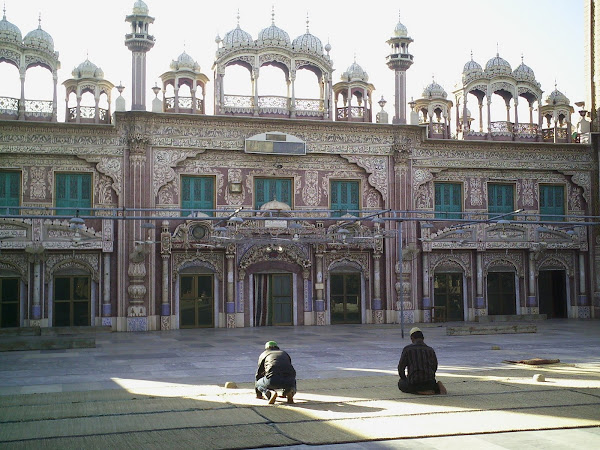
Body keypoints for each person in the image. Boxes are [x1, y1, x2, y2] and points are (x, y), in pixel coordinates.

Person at [397, 327, 447, 395]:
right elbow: (434, 366)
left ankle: (420, 391)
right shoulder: (430, 350)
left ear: (412, 338)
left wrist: (404, 379)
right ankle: (435, 387)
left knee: (401, 384)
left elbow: (401, 368)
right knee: (429, 384)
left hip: (414, 383)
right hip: (430, 383)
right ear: (423, 338)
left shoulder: (407, 349)